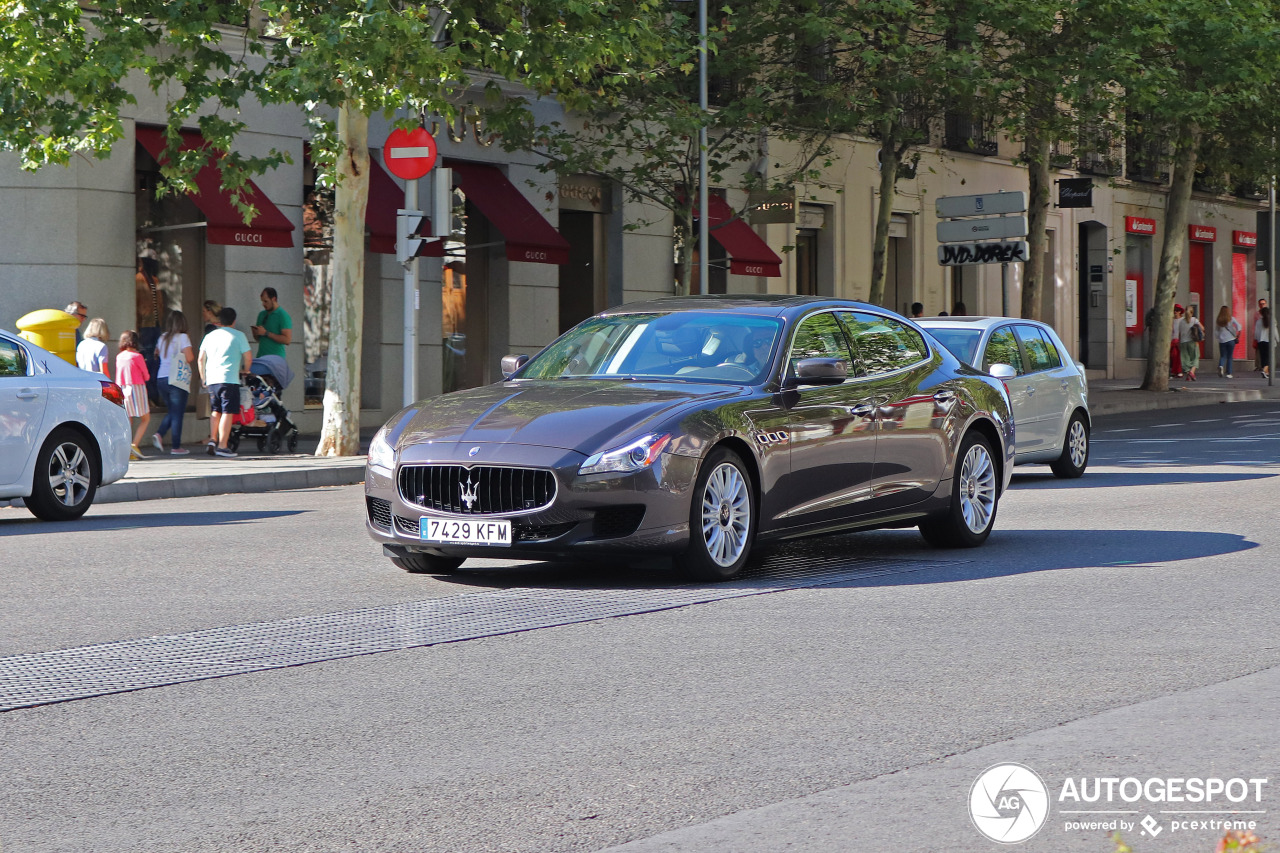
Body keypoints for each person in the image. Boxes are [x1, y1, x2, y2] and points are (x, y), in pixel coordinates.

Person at [198, 307, 252, 458]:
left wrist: (204, 378)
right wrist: (246, 370)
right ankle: (223, 445)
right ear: (234, 321)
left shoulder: (210, 336)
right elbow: (248, 357)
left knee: (216, 411)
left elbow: (201, 358)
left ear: (219, 320)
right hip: (229, 379)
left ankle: (212, 439)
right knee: (227, 412)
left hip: (212, 380)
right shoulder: (239, 335)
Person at [152, 311, 195, 456]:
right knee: (177, 414)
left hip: (161, 378)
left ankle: (159, 434)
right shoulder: (183, 337)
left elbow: (157, 354)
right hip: (176, 379)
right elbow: (189, 357)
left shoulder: (162, 338)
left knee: (173, 411)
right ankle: (175, 446)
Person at [115, 330, 151, 460]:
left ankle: (125, 449)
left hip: (122, 389)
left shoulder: (119, 356)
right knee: (145, 418)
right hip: (137, 388)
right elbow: (146, 375)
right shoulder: (137, 356)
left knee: (127, 420)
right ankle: (134, 445)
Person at [251, 287, 292, 358]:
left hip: (276, 359)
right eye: (262, 301)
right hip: (261, 357)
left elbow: (287, 340)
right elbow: (258, 339)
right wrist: (256, 333)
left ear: (274, 299)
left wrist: (266, 333)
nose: (263, 304)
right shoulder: (261, 315)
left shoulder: (282, 315)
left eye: (266, 301)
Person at [1216, 305, 1243, 378]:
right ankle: (1229, 373)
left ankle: (1221, 365)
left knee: (1222, 356)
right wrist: (1238, 335)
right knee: (1230, 356)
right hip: (1231, 340)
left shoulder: (1219, 320)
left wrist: (1218, 338)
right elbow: (1239, 327)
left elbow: (1216, 331)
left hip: (1222, 341)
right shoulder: (1232, 319)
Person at [1179, 304, 1203, 382]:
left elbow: (1180, 332)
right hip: (1193, 342)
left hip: (1183, 342)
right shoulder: (1194, 320)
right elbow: (1202, 328)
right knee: (1195, 357)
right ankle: (1192, 372)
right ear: (1192, 312)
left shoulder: (1181, 321)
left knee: (1185, 359)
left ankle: (1188, 375)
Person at [1255, 306, 1272, 380]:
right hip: (1268, 341)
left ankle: (1265, 371)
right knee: (1269, 357)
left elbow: (1256, 332)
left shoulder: (1258, 321)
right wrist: (1277, 339)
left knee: (1263, 357)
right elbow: (1274, 332)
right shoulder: (1271, 320)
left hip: (1261, 341)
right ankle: (1265, 370)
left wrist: (1256, 339)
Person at [1170, 304, 1184, 379]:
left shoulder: (1183, 320)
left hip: (1180, 339)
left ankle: (1178, 371)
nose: (1175, 312)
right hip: (1173, 340)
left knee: (1178, 356)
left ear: (1180, 312)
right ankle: (1174, 370)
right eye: (1174, 310)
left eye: (1177, 310)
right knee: (1174, 356)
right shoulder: (1171, 320)